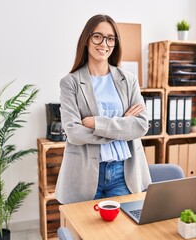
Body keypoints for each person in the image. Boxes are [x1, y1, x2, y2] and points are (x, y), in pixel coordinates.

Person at [55, 14, 152, 204]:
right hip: (86, 175)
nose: (104, 44)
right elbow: (74, 133)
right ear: (87, 39)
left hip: (124, 173)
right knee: (86, 233)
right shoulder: (70, 83)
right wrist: (123, 127)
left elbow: (141, 125)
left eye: (110, 38)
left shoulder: (128, 80)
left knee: (124, 232)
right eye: (98, 36)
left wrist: (97, 123)